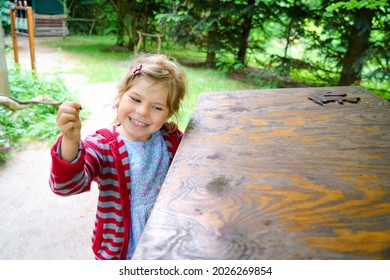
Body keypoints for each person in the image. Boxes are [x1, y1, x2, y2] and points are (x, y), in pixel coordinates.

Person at [49, 53, 187, 260]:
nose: (142, 111)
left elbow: (196, 166)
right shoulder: (103, 145)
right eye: (135, 99)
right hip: (119, 250)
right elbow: (65, 186)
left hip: (164, 241)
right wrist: (70, 140)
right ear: (119, 97)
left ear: (168, 114)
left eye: (157, 107)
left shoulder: (171, 139)